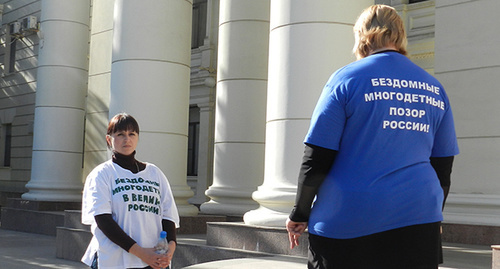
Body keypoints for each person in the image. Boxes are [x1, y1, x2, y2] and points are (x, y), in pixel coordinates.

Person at [286, 5, 459, 269]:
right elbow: (443, 168)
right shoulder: (433, 87)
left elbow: (317, 157)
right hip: (418, 218)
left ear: (361, 36)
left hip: (348, 220)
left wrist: (300, 213)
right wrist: (432, 213)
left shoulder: (346, 80)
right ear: (400, 35)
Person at [81, 113, 180, 269]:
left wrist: (170, 249)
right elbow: (103, 221)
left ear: (137, 138)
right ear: (109, 139)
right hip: (114, 261)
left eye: (131, 134)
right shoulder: (102, 174)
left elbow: (168, 216)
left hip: (154, 261)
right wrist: (141, 253)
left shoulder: (154, 173)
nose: (127, 139)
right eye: (120, 134)